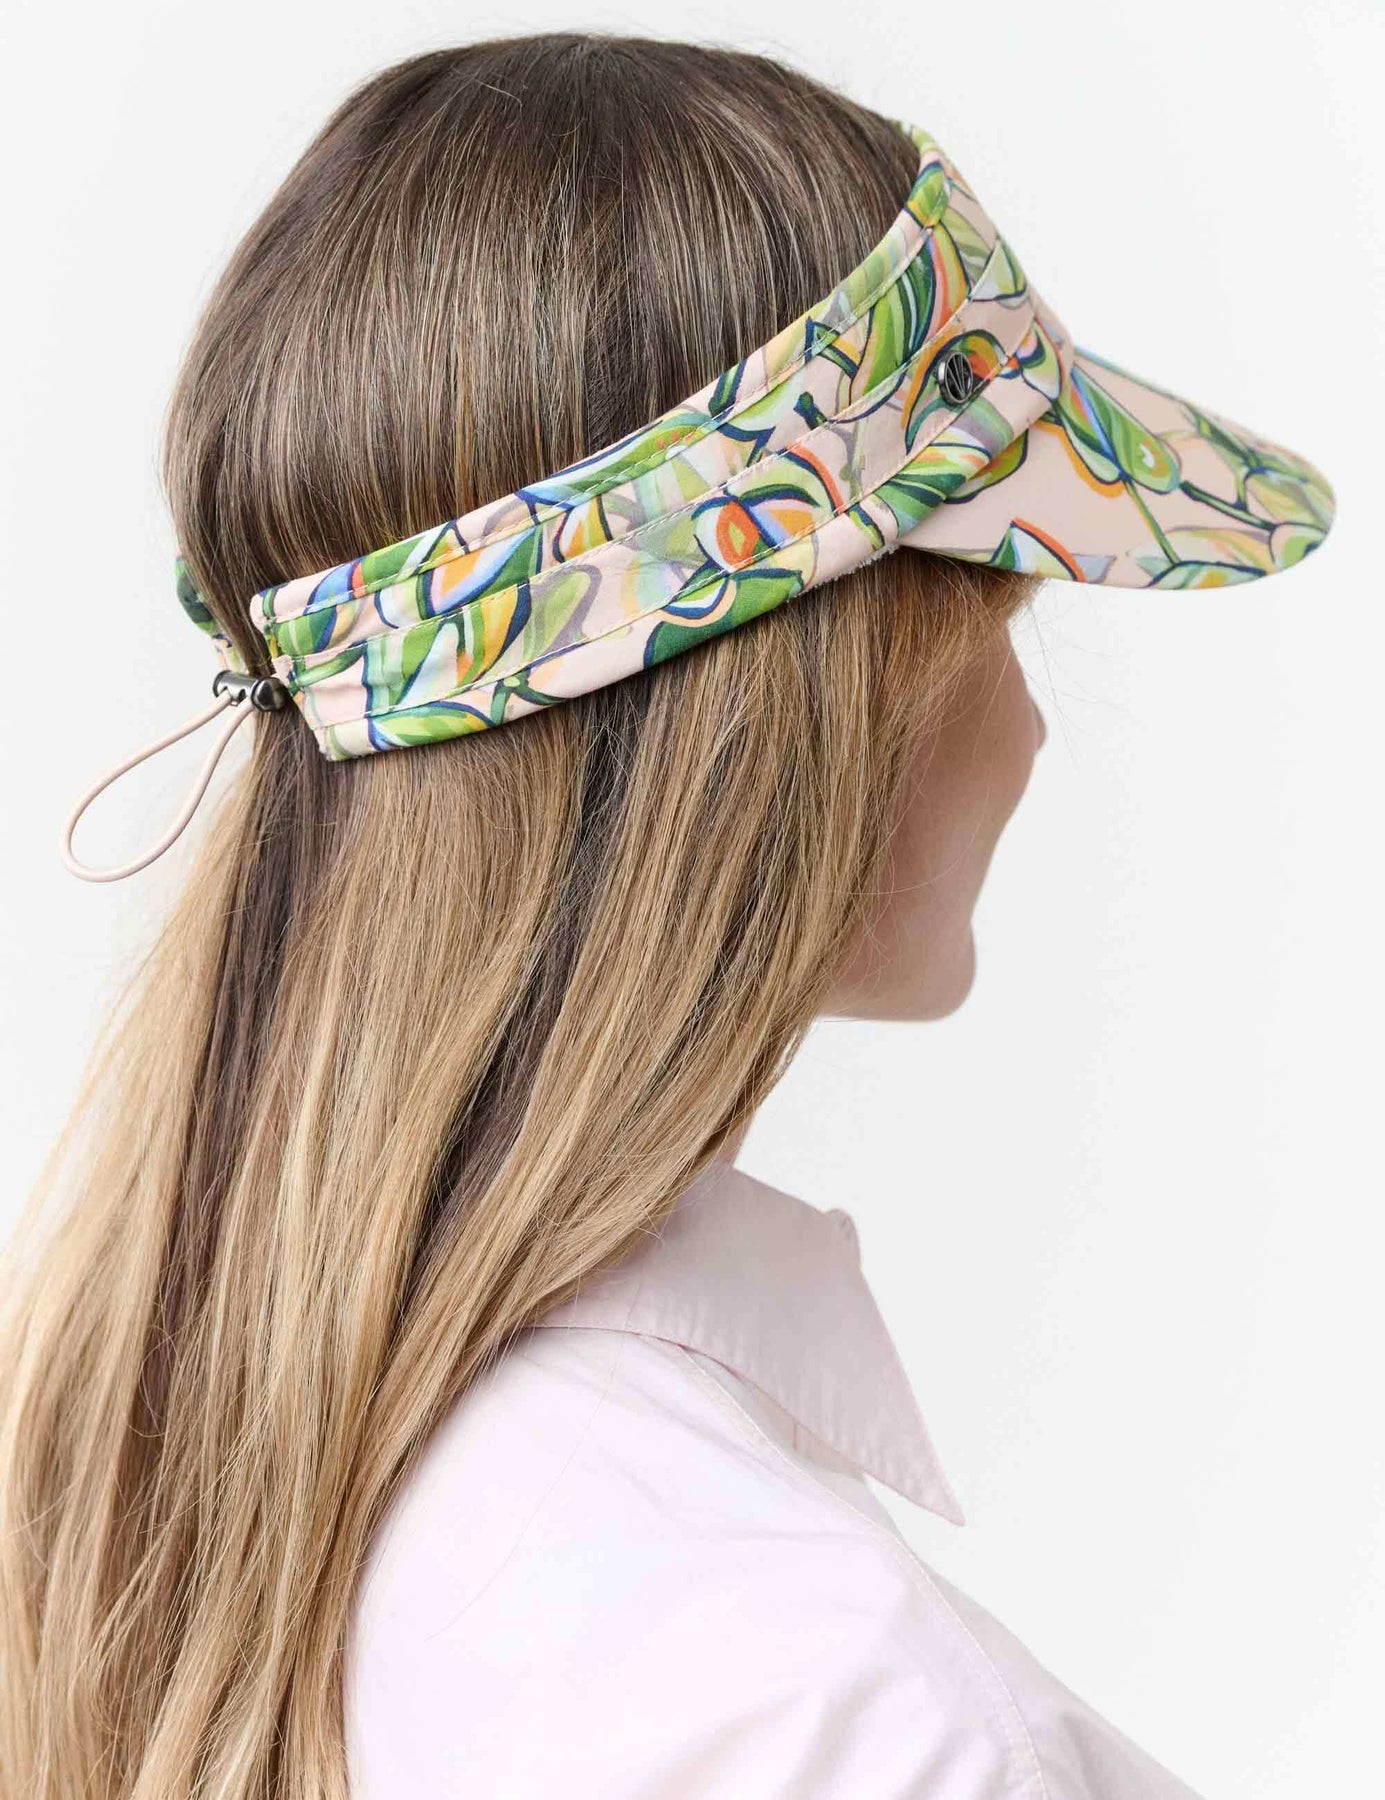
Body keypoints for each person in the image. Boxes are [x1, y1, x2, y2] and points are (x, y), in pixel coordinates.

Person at [0, 33, 1334, 1800]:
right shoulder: (860, 1727)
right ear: (813, 710)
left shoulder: (146, 1502)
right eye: (994, 612)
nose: (1024, 728)